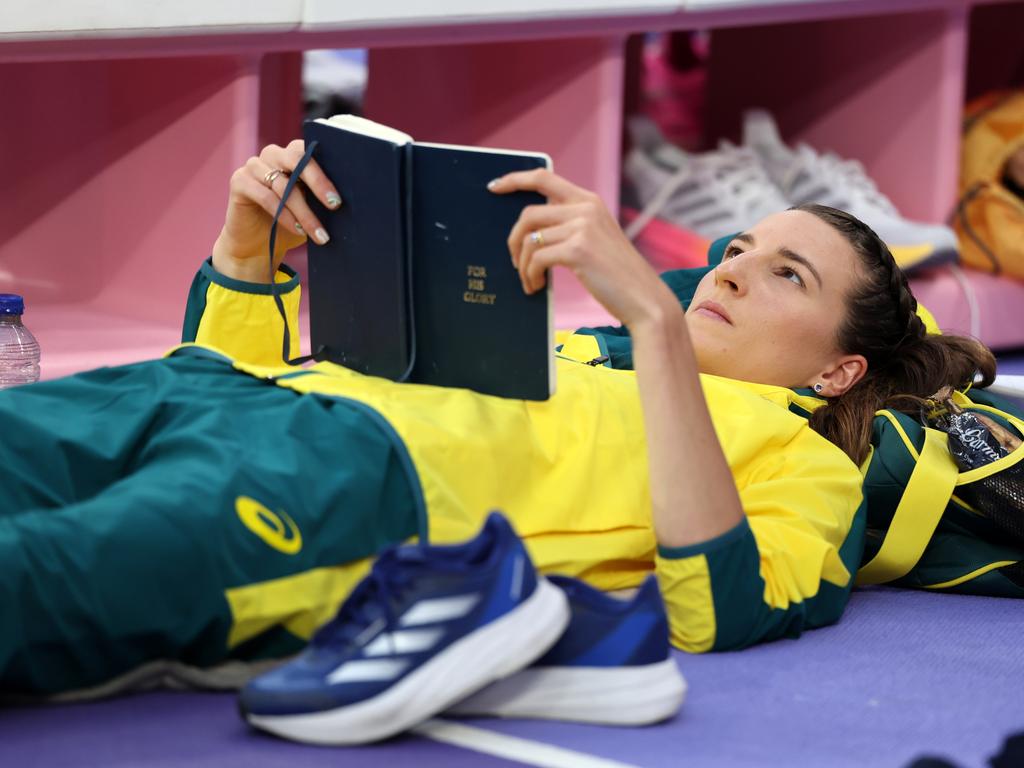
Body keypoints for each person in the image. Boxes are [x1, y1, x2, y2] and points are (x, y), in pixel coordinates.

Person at [0, 139, 994, 698]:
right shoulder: (569, 348)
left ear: (837, 368)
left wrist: (651, 314)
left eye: (786, 274)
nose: (731, 266)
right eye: (739, 245)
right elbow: (236, 364)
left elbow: (718, 611)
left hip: (345, 491)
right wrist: (246, 247)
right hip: (205, 392)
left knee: (41, 577)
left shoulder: (804, 460)